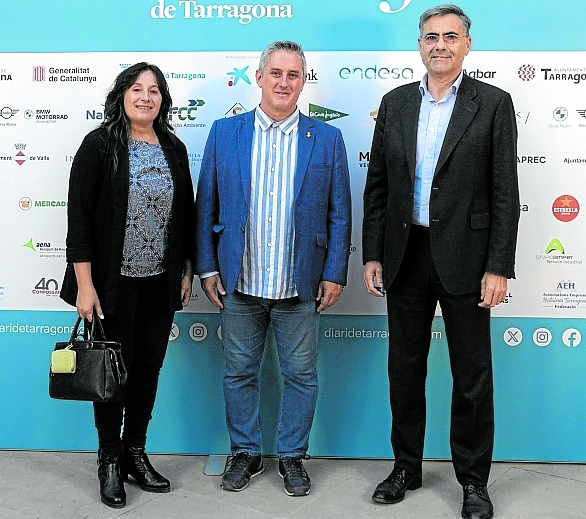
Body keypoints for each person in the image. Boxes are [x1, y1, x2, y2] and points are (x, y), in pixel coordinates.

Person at [362, 5, 519, 519]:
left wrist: (498, 266)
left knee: (471, 375)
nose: (441, 45)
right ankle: (405, 467)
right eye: (431, 36)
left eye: (451, 36)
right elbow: (378, 187)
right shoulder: (395, 103)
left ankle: (473, 481)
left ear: (468, 45)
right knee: (404, 370)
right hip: (406, 255)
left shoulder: (493, 104)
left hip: (468, 260)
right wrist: (374, 255)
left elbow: (503, 191)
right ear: (419, 45)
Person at [194, 40, 351, 497]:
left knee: (301, 376)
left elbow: (339, 213)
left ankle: (292, 456)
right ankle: (245, 451)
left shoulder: (326, 138)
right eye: (276, 73)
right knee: (239, 372)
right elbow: (208, 205)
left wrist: (335, 272)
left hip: (299, 285)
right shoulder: (226, 133)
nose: (284, 82)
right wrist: (206, 268)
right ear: (259, 77)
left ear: (303, 82)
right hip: (238, 283)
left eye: (294, 75)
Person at [60, 62, 194, 509]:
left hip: (159, 283)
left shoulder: (174, 147)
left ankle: (136, 451)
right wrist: (85, 285)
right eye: (137, 89)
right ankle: (110, 459)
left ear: (163, 100)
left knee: (147, 371)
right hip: (109, 286)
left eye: (154, 91)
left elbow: (186, 217)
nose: (146, 97)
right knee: (112, 376)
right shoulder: (99, 145)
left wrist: (186, 271)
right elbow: (78, 222)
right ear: (121, 95)